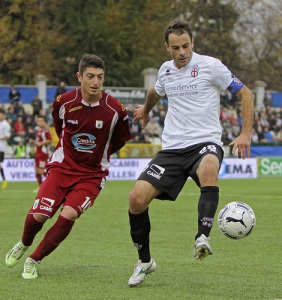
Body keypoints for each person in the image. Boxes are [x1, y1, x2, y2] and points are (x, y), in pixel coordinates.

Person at [127, 19, 254, 287]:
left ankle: (202, 237)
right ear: (167, 47)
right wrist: (147, 109)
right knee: (136, 198)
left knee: (208, 168)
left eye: (186, 46)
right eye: (176, 47)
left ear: (192, 43)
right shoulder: (165, 71)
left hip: (205, 142)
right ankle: (145, 261)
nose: (182, 52)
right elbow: (155, 91)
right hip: (172, 149)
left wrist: (245, 133)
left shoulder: (210, 66)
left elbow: (246, 94)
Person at [5, 53, 132, 279]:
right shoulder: (63, 102)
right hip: (62, 168)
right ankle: (24, 243)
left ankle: (33, 259)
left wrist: (98, 155)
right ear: (79, 76)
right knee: (39, 216)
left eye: (100, 77)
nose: (96, 82)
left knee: (70, 214)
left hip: (92, 175)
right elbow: (60, 128)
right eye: (91, 76)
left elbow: (120, 140)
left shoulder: (115, 110)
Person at [30, 116, 52, 193]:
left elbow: (50, 140)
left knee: (41, 171)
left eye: (41, 121)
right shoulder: (37, 131)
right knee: (36, 170)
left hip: (43, 153)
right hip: (38, 153)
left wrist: (41, 143)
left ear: (44, 122)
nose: (39, 122)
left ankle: (51, 183)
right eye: (38, 121)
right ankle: (41, 187)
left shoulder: (46, 131)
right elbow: (37, 141)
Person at [0, 110, 11, 189]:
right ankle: (4, 179)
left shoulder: (6, 124)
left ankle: (4, 179)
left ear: (4, 115)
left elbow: (7, 136)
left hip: (1, 148)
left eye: (1, 115)